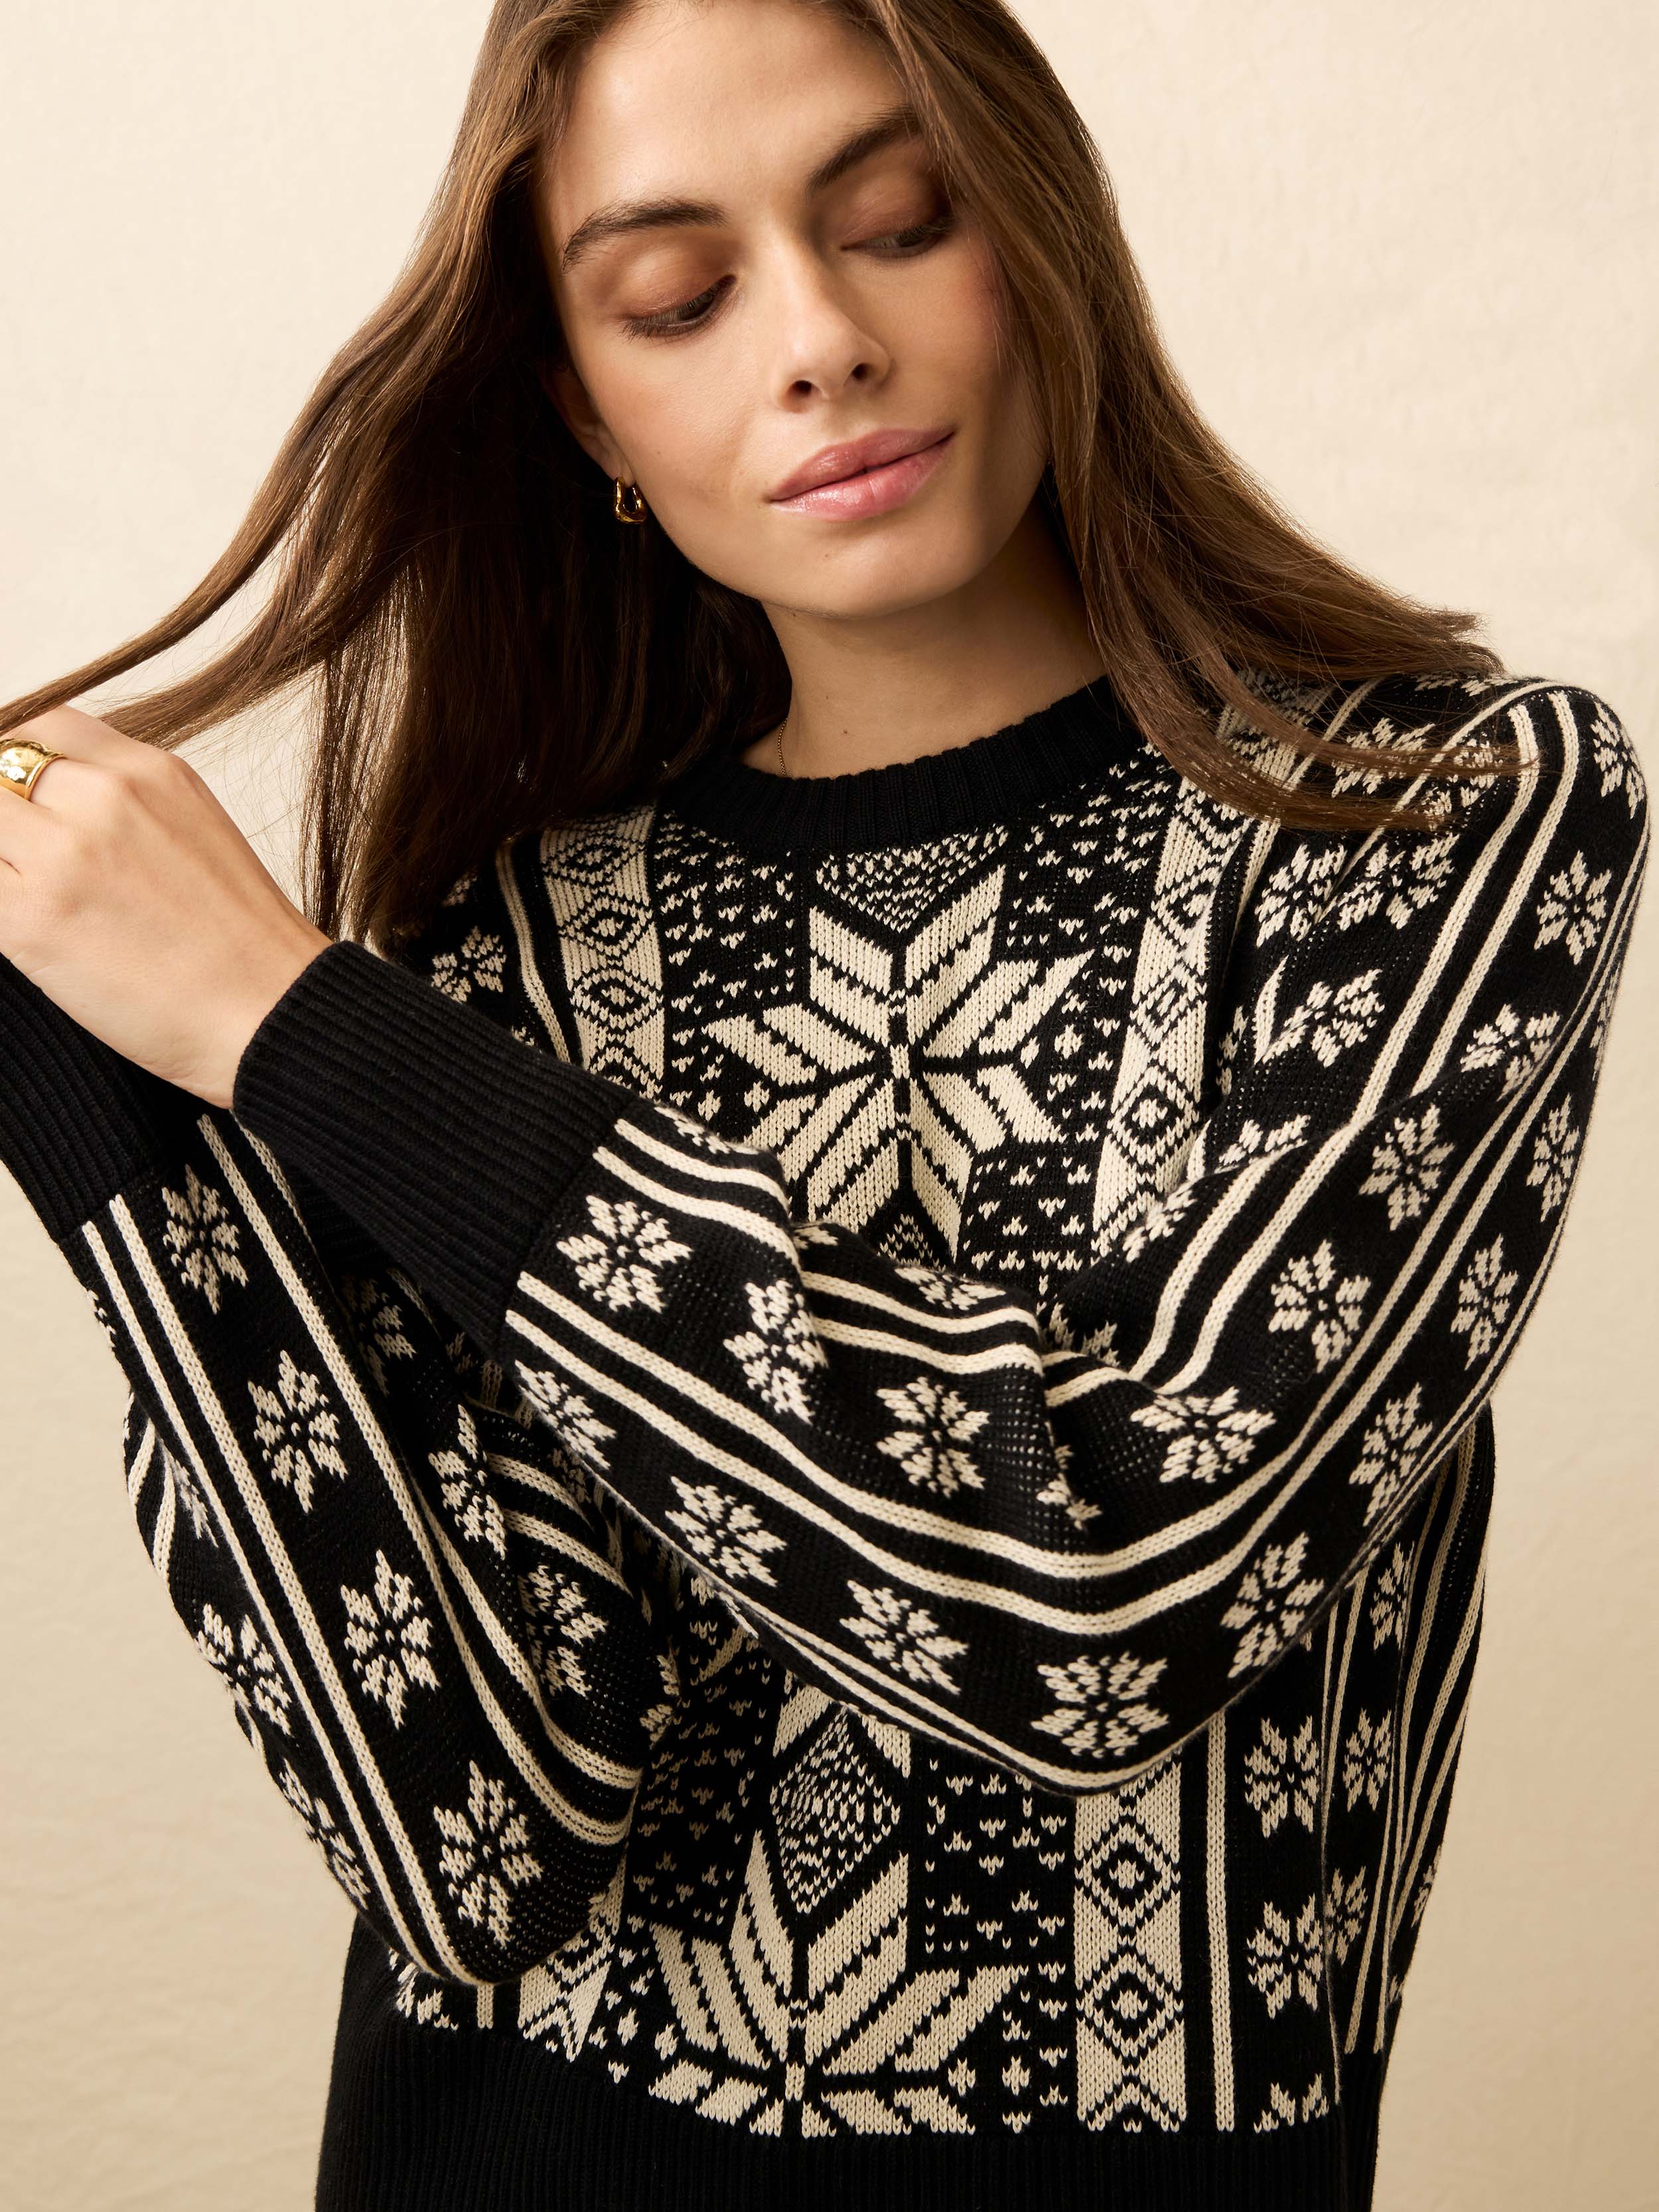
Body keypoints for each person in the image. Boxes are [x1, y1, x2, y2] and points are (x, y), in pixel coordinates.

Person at [0, 1, 1645, 2206]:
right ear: (586, 407)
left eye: (894, 220)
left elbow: (1106, 1600)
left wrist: (294, 1030)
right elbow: (474, 1836)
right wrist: (102, 1085)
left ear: (1041, 241)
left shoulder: (1436, 825)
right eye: (678, 297)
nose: (816, 343)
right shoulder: (505, 938)